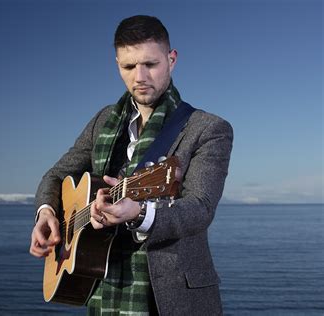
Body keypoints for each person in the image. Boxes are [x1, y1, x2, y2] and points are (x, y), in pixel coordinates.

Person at [30, 15, 233, 315]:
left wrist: (139, 213)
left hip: (171, 296)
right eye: (129, 66)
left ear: (171, 59)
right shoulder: (103, 121)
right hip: (104, 287)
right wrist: (46, 213)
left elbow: (199, 208)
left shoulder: (207, 129)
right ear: (117, 65)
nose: (140, 76)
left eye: (150, 64)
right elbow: (57, 174)